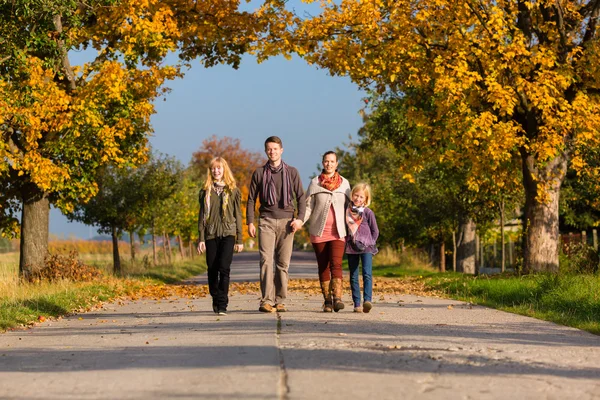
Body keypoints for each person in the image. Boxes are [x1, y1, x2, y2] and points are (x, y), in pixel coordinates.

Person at [247, 136, 306, 313]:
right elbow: (251, 200)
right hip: (266, 220)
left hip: (287, 222)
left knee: (282, 263)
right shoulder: (259, 173)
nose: (272, 152)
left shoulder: (292, 172)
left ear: (281, 150)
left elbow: (301, 197)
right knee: (265, 260)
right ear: (266, 151)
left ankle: (280, 300)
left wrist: (300, 219)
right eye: (269, 149)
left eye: (275, 148)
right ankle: (266, 300)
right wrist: (249, 221)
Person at [302, 151, 351, 312]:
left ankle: (337, 298)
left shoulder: (344, 184)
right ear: (323, 163)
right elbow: (308, 208)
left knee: (336, 264)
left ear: (337, 164)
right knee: (323, 266)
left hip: (338, 232)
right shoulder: (315, 183)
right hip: (319, 232)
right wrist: (299, 221)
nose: (329, 164)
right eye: (326, 161)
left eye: (332, 161)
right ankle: (327, 301)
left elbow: (351, 209)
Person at [197, 157, 244, 315]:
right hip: (210, 234)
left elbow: (238, 215)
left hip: (228, 233)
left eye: (219, 168)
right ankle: (215, 297)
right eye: (213, 169)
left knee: (224, 268)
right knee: (212, 268)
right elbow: (202, 216)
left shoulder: (233, 190)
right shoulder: (205, 191)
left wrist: (240, 239)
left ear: (224, 170)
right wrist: (201, 239)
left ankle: (222, 304)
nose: (216, 171)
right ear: (210, 171)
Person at [345, 182, 379, 313]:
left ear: (366, 199)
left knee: (367, 274)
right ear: (352, 195)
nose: (358, 199)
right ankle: (357, 303)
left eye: (361, 197)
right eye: (356, 195)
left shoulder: (368, 213)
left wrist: (370, 242)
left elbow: (375, 231)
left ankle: (367, 301)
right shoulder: (347, 212)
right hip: (352, 247)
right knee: (353, 275)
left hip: (367, 248)